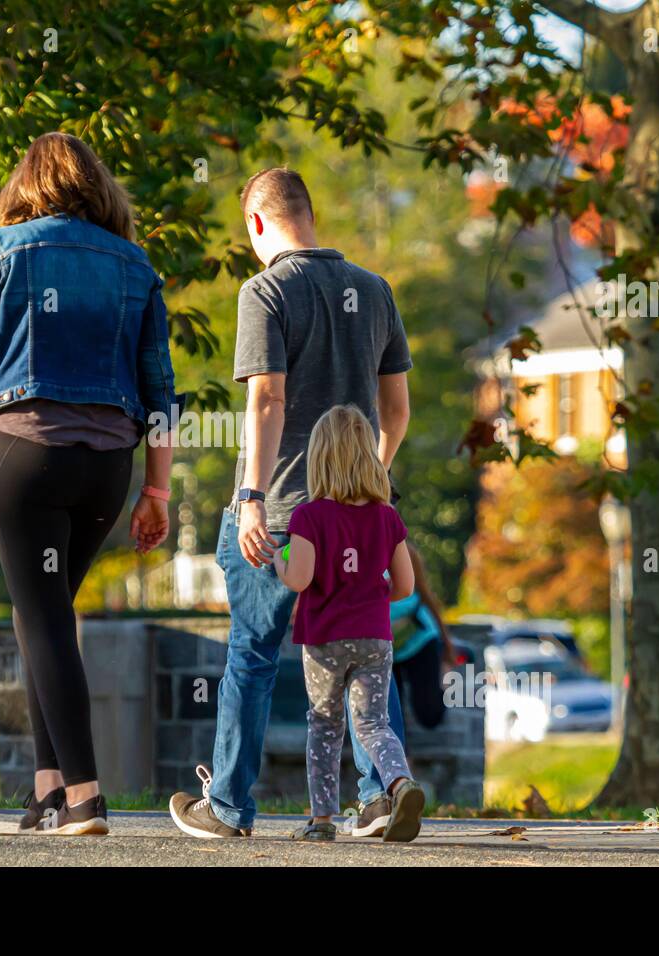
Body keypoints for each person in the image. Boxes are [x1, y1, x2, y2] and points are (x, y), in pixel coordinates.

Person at [0, 132, 175, 836]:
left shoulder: (1, 249)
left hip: (25, 455)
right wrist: (157, 491)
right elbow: (161, 389)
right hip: (107, 470)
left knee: (42, 620)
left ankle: (87, 797)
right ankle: (48, 791)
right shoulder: (136, 265)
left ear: (24, 185)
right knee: (44, 617)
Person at [169, 167, 413, 839]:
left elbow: (268, 397)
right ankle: (379, 797)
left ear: (256, 223)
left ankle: (228, 808)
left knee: (251, 655)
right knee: (366, 653)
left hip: (280, 515)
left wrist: (249, 494)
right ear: (309, 213)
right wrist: (369, 482)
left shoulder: (266, 291)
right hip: (358, 518)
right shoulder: (374, 289)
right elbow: (396, 410)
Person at [272, 405, 424, 842]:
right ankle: (399, 783)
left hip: (323, 641)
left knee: (324, 725)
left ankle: (321, 821)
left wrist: (279, 560)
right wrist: (370, 589)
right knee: (374, 724)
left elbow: (299, 578)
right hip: (375, 637)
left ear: (319, 458)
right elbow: (406, 586)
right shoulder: (387, 516)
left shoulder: (308, 516)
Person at [346, 542, 457, 836]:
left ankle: (399, 779)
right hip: (383, 647)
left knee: (429, 713)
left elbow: (426, 598)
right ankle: (400, 776)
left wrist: (447, 649)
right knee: (387, 715)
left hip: (419, 643)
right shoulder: (351, 552)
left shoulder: (402, 551)